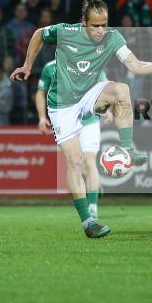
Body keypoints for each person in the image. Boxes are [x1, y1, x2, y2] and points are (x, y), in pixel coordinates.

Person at [11, 0, 152, 238]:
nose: (100, 31)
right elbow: (38, 34)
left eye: (104, 25)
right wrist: (28, 65)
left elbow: (136, 66)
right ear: (84, 23)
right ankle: (88, 223)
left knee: (121, 89)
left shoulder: (112, 38)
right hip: (62, 104)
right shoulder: (66, 32)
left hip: (88, 95)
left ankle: (127, 150)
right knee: (74, 162)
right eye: (95, 26)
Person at [37, 59, 103, 220]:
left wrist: (106, 108)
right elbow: (40, 92)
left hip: (89, 121)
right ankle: (89, 197)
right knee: (75, 164)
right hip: (66, 121)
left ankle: (92, 207)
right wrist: (41, 117)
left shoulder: (92, 62)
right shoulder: (49, 67)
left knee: (88, 161)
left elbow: (103, 90)